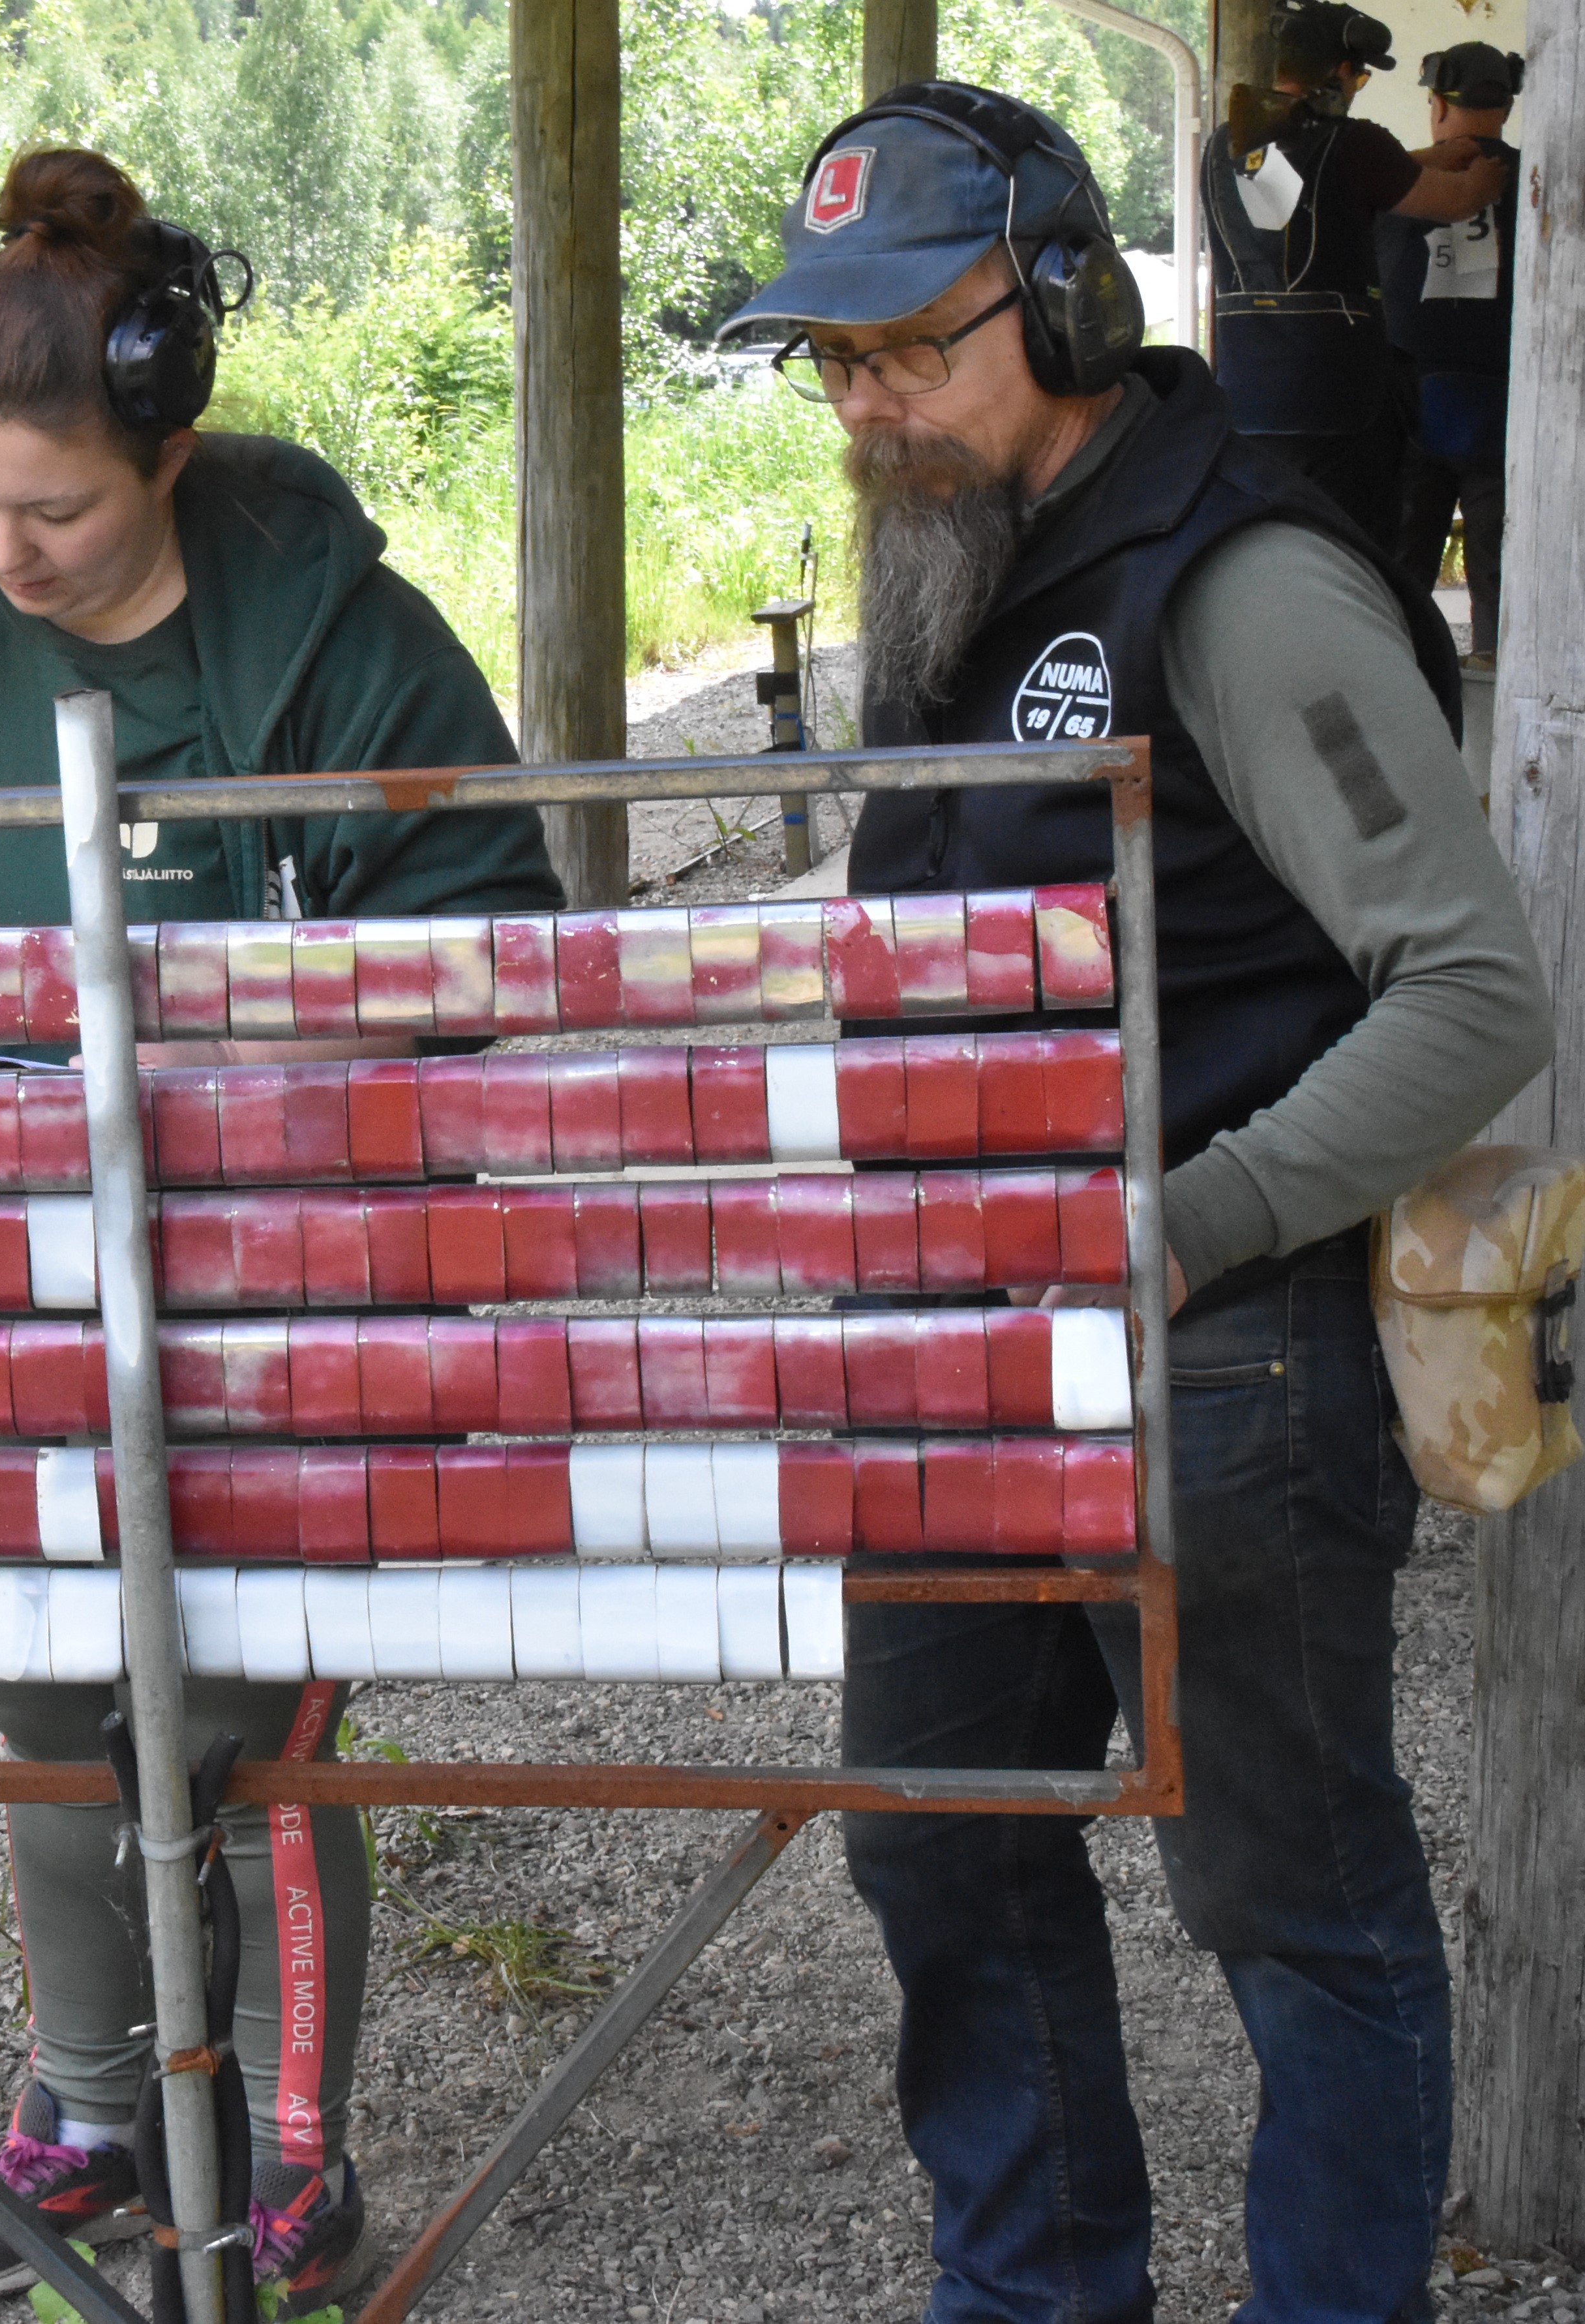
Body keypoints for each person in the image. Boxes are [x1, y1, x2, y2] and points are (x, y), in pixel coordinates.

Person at [0, 146, 561, 2317]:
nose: (0, 550)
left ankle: (288, 2137)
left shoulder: (340, 638)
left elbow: (490, 951)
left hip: (274, 1289)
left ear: (165, 450)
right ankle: (88, 2103)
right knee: (42, 1699)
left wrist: (282, 1076)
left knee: (247, 1727)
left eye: (50, 512)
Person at [719, 80, 1552, 2324]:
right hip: (955, 1337)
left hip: (1214, 1334)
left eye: (909, 347)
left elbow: (1472, 994)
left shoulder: (1247, 579)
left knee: (1291, 1904)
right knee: (939, 1849)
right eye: (833, 358)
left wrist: (1186, 1217)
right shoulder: (951, 563)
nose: (864, 399)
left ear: (1070, 306)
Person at [1202, 0, 1509, 547]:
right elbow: (1460, 201)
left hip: (1248, 398)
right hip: (1337, 402)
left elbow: (1305, 186)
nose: (1358, 87)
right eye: (1361, 75)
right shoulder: (1353, 145)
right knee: (1360, 560)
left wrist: (1425, 157)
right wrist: (1491, 170)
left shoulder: (1226, 144)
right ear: (1339, 72)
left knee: (1274, 553)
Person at [1379, 42, 1522, 663]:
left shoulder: (1401, 184)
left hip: (1410, 403)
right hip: (1506, 407)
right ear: (1507, 106)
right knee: (1498, 569)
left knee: (1401, 573)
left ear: (1436, 106)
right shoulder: (1539, 180)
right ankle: (1492, 670)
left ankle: (1397, 675)